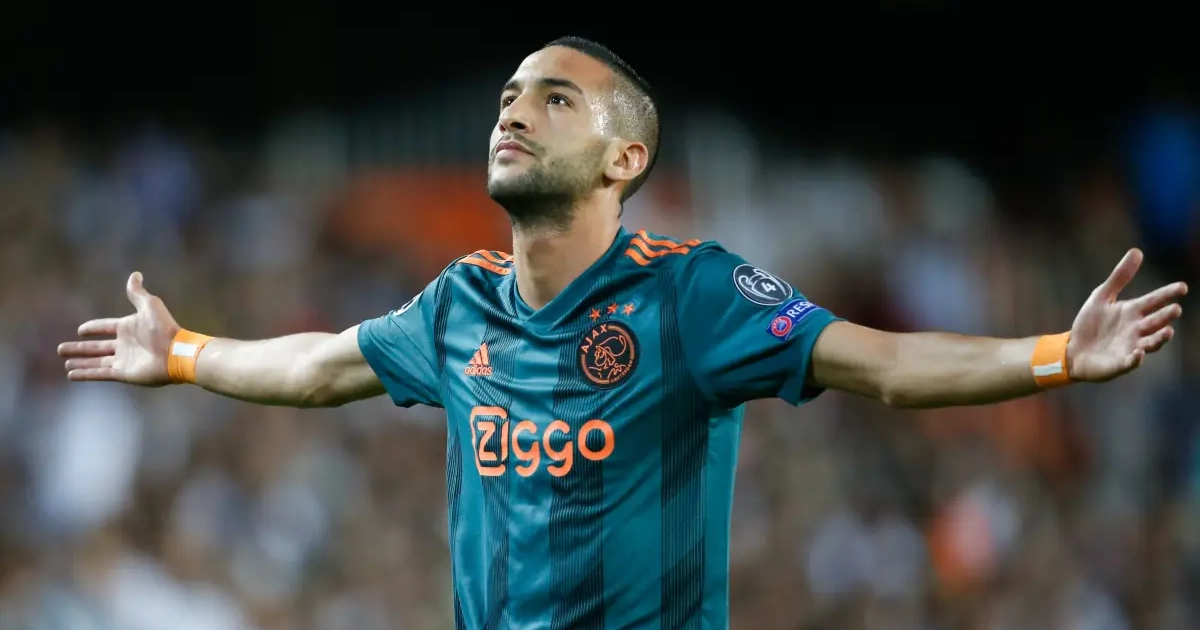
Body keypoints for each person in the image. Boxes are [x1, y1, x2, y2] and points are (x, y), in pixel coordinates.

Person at [58, 36, 1187, 630]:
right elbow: (315, 367)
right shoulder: (458, 305)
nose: (513, 109)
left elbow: (882, 363)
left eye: (554, 98)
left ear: (624, 159)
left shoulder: (691, 293)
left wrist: (1056, 355)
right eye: (509, 94)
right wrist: (186, 353)